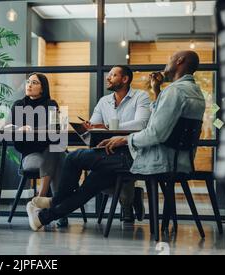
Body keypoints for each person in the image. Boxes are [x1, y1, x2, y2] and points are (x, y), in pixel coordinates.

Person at [26, 51, 206, 231]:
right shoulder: (195, 93)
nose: (167, 63)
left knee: (74, 157)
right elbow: (162, 121)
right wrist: (157, 89)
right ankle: (43, 217)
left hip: (152, 159)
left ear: (180, 61)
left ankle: (56, 200)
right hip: (176, 161)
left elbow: (155, 132)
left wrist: (124, 140)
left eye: (170, 59)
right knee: (95, 181)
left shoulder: (173, 92)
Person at [84, 65, 151, 224]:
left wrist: (110, 128)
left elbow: (141, 123)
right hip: (106, 149)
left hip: (131, 149)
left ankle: (127, 201)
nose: (108, 77)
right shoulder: (103, 101)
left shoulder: (140, 96)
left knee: (113, 171)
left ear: (125, 79)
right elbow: (95, 125)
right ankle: (131, 197)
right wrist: (90, 126)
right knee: (98, 174)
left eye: (113, 75)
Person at [8, 73, 67, 225]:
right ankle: (58, 209)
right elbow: (6, 126)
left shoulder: (51, 104)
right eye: (28, 82)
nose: (29, 85)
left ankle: (39, 201)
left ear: (42, 88)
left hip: (48, 151)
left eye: (34, 82)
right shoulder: (19, 105)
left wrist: (33, 128)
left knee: (54, 151)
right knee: (58, 154)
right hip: (30, 154)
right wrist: (19, 128)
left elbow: (55, 128)